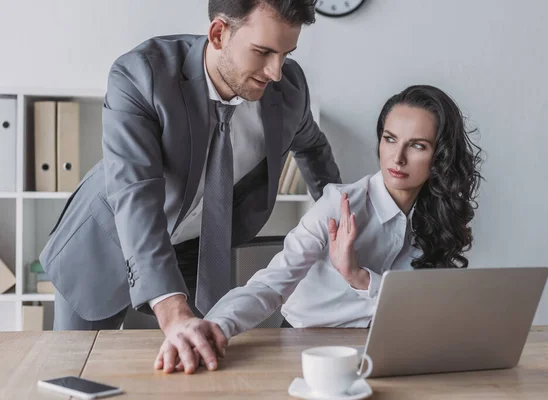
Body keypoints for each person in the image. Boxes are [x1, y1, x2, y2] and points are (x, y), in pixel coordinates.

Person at [39, 0, 340, 374]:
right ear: (218, 34)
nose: (276, 72)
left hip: (194, 254)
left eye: (286, 54)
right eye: (263, 52)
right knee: (76, 375)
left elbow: (311, 145)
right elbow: (136, 195)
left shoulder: (289, 89)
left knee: (195, 367)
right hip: (104, 245)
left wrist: (341, 216)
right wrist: (171, 309)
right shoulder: (142, 74)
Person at [205, 84, 483, 338]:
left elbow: (423, 305)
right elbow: (271, 284)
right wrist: (215, 326)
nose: (397, 158)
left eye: (417, 145)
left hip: (387, 342)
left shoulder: (437, 217)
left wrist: (358, 277)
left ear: (441, 156)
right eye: (390, 139)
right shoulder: (338, 204)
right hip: (306, 341)